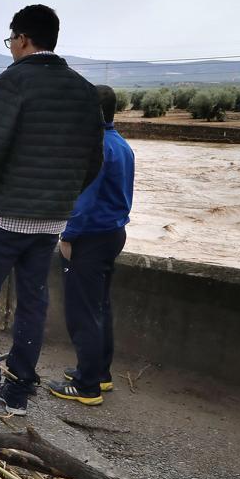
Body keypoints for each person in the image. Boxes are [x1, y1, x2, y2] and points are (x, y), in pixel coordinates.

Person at [0, 4, 103, 417]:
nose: (11, 46)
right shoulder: (85, 91)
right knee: (33, 302)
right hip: (50, 222)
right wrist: (58, 200)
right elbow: (93, 162)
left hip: (1, 219)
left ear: (23, 38)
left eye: (11, 39)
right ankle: (18, 392)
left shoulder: (14, 80)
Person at [47, 85, 134, 406]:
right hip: (113, 234)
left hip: (90, 238)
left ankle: (86, 386)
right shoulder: (121, 144)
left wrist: (68, 236)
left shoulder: (95, 148)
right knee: (100, 307)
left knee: (83, 312)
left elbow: (84, 201)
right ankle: (99, 373)